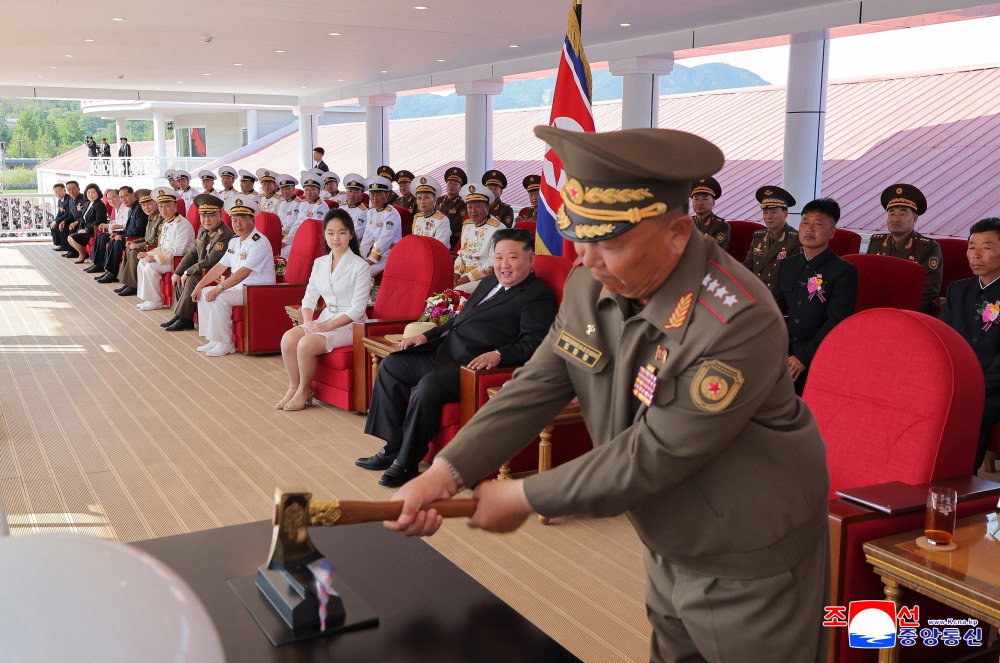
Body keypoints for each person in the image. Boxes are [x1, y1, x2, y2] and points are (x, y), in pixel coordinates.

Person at [385, 127, 830, 663]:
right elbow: (538, 383)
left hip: (749, 557)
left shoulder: (736, 319)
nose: (589, 259)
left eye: (610, 243)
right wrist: (447, 471)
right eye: (579, 236)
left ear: (677, 233)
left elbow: (654, 453)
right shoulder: (591, 282)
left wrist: (525, 496)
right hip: (668, 535)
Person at [358, 227, 556, 487]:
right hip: (444, 351)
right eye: (498, 257)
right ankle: (393, 446)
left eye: (513, 257)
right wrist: (427, 336)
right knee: (391, 366)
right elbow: (458, 320)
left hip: (470, 366)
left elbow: (535, 343)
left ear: (531, 259)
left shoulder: (537, 295)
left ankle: (407, 462)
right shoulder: (488, 282)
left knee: (427, 387)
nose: (504, 265)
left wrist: (499, 354)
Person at [277, 209, 371, 411]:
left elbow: (357, 309)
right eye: (330, 233)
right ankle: (293, 387)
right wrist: (308, 322)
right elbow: (309, 298)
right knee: (288, 338)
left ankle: (304, 390)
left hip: (351, 325)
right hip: (326, 317)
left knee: (305, 344)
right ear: (325, 235)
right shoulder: (320, 263)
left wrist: (324, 327)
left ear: (351, 234)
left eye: (342, 233)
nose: (336, 238)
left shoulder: (360, 266)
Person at [772, 198, 858, 394]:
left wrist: (803, 357)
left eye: (818, 224)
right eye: (805, 222)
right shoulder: (788, 265)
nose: (809, 229)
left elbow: (836, 321)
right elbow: (772, 307)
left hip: (819, 352)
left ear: (832, 232)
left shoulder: (843, 271)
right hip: (785, 349)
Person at [942, 217, 1000, 473]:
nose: (975, 255)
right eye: (971, 247)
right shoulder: (957, 290)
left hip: (994, 385)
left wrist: (972, 386)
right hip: (959, 380)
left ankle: (960, 481)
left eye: (986, 247)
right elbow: (945, 341)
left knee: (967, 414)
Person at [193, 196, 276, 357]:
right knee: (204, 293)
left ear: (252, 220)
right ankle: (214, 338)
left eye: (242, 219)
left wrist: (219, 288)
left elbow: (244, 272)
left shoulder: (260, 242)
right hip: (240, 289)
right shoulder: (234, 241)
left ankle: (226, 343)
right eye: (234, 220)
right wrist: (200, 285)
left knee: (220, 297)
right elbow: (220, 266)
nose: (237, 224)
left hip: (257, 290)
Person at [161, 194, 235, 332]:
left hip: (217, 273)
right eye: (203, 215)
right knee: (180, 277)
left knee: (191, 279)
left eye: (211, 215)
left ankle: (184, 318)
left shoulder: (224, 235)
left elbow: (210, 260)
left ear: (220, 215)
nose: (206, 219)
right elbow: (192, 253)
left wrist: (188, 272)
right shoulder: (203, 230)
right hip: (203, 270)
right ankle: (179, 315)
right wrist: (178, 272)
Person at [866, 183, 942, 314]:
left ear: (914, 219)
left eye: (902, 213)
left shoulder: (928, 247)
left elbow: (929, 290)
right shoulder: (876, 243)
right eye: (891, 213)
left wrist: (898, 312)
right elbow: (867, 280)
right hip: (875, 309)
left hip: (909, 312)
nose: (895, 219)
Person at [135, 187, 195, 311]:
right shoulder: (166, 223)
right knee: (142, 262)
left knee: (151, 266)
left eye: (167, 206)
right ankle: (147, 298)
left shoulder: (182, 224)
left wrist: (155, 258)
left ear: (175, 206)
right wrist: (148, 254)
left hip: (179, 261)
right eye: (161, 206)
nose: (163, 210)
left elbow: (179, 250)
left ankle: (156, 301)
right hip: (168, 259)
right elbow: (162, 247)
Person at [743, 186, 801, 290]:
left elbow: (794, 275)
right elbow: (748, 266)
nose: (768, 217)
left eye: (773, 212)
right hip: (756, 290)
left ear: (785, 214)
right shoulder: (759, 237)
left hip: (778, 293)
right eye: (765, 212)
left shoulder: (795, 239)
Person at [453, 183, 502, 293]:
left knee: (458, 292)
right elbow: (462, 253)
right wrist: (456, 273)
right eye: (470, 207)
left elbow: (493, 261)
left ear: (487, 207)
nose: (473, 211)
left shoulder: (497, 228)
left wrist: (469, 277)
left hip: (485, 278)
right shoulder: (467, 225)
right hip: (464, 275)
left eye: (477, 206)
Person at [114, 190, 159, 297]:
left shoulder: (159, 218)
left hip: (155, 248)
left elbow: (157, 241)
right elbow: (147, 238)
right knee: (129, 247)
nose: (146, 207)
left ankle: (133, 285)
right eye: (143, 205)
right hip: (149, 244)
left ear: (156, 203)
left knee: (135, 251)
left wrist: (139, 245)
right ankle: (127, 282)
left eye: (149, 204)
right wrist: (134, 241)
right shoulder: (150, 217)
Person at [96, 186, 142, 284]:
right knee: (113, 240)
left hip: (137, 238)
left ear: (133, 195)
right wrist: (118, 233)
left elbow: (139, 230)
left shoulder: (138, 208)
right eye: (121, 197)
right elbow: (128, 228)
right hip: (128, 235)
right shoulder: (132, 208)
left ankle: (113, 273)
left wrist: (122, 236)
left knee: (117, 242)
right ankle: (108, 271)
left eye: (126, 196)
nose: (123, 199)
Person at [359, 175, 402, 277]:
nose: (374, 198)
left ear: (387, 194)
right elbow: (367, 237)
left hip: (389, 254)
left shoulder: (391, 214)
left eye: (378, 194)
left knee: (363, 274)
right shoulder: (371, 212)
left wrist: (371, 260)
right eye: (372, 194)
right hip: (375, 253)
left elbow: (385, 239)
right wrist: (361, 256)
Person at [285, 170, 326, 258]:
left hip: (313, 240)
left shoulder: (321, 206)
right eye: (306, 189)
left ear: (319, 191)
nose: (308, 192)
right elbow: (297, 223)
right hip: (301, 236)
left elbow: (315, 229)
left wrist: (299, 240)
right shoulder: (303, 204)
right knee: (283, 250)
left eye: (312, 189)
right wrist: (287, 240)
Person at [86, 188, 126, 274]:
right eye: (109, 199)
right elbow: (116, 222)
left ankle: (100, 265)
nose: (111, 200)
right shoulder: (116, 208)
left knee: (103, 237)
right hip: (116, 232)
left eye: (113, 197)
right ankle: (97, 263)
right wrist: (107, 225)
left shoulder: (126, 208)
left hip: (121, 233)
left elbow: (124, 225)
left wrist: (109, 226)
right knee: (100, 236)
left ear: (119, 197)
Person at [66, 183, 108, 265]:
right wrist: (80, 229)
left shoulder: (100, 205)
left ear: (98, 193)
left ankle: (83, 254)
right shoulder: (87, 203)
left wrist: (86, 229)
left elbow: (99, 222)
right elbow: (82, 219)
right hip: (86, 230)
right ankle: (84, 253)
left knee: (72, 238)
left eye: (93, 192)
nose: (91, 194)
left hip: (93, 231)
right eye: (89, 192)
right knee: (69, 238)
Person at [410, 175, 451, 248]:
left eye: (426, 198)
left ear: (434, 199)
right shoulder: (417, 218)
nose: (422, 202)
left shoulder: (442, 220)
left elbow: (438, 247)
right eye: (419, 198)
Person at [690, 176, 729, 249]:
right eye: (696, 199)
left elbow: (715, 252)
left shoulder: (721, 226)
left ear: (713, 202)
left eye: (705, 199)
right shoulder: (686, 223)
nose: (699, 203)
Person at [436, 166, 468, 245]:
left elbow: (456, 226)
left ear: (460, 188)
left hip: (452, 241)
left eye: (455, 184)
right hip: (436, 237)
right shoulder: (439, 200)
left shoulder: (462, 204)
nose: (452, 186)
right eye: (449, 183)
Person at [57, 181, 86, 256]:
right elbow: (71, 216)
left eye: (73, 189)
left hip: (84, 223)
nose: (71, 191)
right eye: (69, 189)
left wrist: (77, 222)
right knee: (64, 226)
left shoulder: (84, 199)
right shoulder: (70, 201)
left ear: (78, 189)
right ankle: (69, 249)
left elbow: (86, 215)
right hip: (76, 222)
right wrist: (64, 221)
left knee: (72, 228)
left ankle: (75, 252)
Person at [341, 173, 369, 242]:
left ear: (361, 195)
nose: (352, 195)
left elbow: (356, 235)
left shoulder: (363, 212)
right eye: (350, 191)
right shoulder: (341, 208)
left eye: (356, 192)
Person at [49, 183, 73, 249]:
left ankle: (64, 245)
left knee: (57, 225)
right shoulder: (59, 200)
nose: (58, 193)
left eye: (59, 191)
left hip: (69, 218)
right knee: (52, 225)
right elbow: (59, 213)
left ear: (64, 190)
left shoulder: (69, 199)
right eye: (56, 192)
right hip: (63, 218)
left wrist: (56, 221)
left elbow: (67, 214)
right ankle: (59, 244)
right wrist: (54, 220)